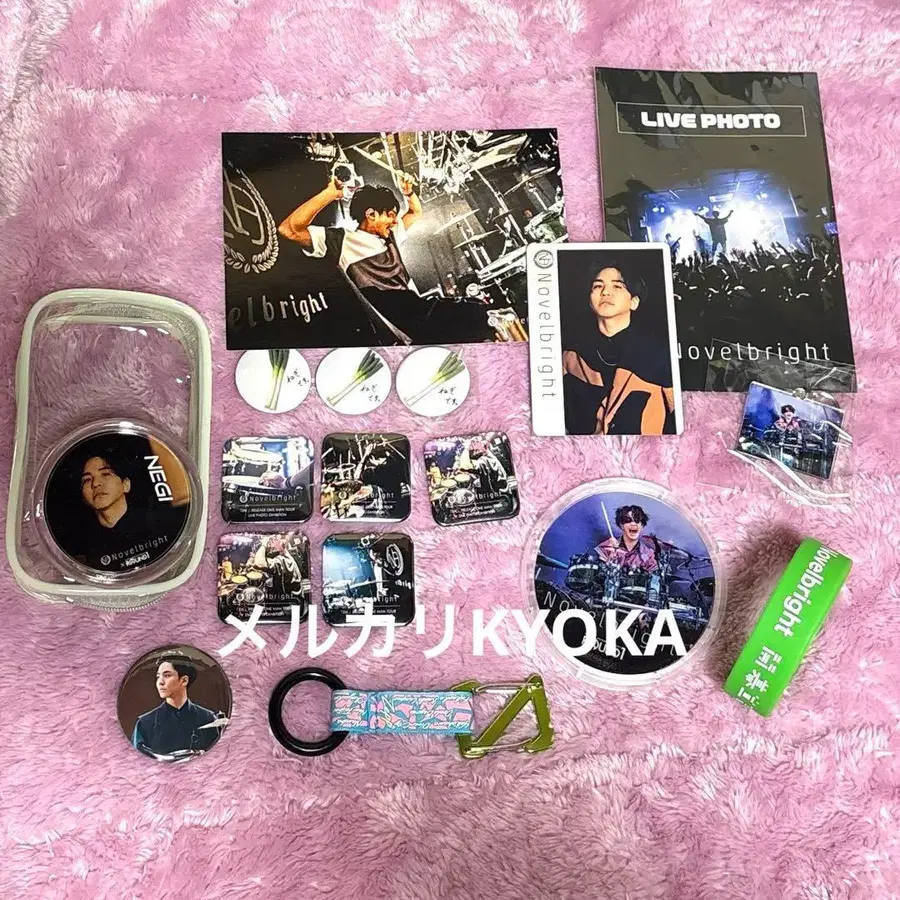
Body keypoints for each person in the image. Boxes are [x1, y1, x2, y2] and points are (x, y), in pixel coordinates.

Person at [278, 174, 424, 341]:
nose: (395, 221)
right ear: (371, 214)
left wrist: (409, 192)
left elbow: (415, 212)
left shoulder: (390, 234)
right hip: (396, 328)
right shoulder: (342, 241)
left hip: (417, 313)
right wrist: (329, 194)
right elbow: (289, 230)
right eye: (391, 215)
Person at [562, 261, 676, 435]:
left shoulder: (660, 355)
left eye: (617, 286)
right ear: (590, 302)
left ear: (634, 302)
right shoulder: (571, 357)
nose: (605, 292)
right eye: (597, 286)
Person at [75, 445, 186, 571]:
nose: (95, 484)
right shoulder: (81, 548)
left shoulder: (160, 525)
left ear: (126, 484)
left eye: (105, 474)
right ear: (83, 497)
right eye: (87, 480)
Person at [132, 657, 220, 757]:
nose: (160, 682)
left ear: (184, 680)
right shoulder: (144, 723)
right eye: (158, 676)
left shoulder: (208, 719)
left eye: (167, 675)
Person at [595, 505, 659, 573]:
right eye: (628, 520)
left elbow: (654, 576)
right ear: (621, 525)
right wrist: (611, 554)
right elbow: (599, 572)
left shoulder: (648, 554)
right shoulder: (606, 547)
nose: (633, 523)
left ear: (642, 526)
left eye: (637, 520)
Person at [252, 536, 304, 603]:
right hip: (292, 602)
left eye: (274, 540)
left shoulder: (282, 560)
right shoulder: (286, 556)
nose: (270, 543)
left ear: (282, 542)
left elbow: (259, 563)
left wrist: (264, 545)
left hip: (288, 604)